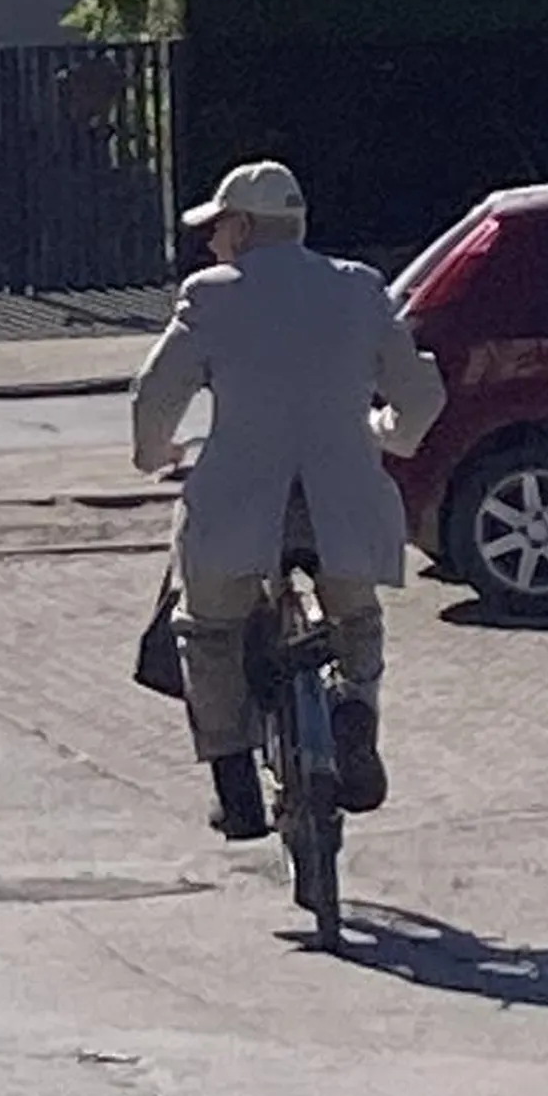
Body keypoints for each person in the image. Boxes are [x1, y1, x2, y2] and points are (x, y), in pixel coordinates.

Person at [131, 160, 447, 840]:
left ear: (243, 227)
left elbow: (155, 394)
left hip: (236, 503)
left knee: (207, 630)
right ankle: (354, 714)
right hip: (345, 496)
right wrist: (388, 436)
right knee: (354, 617)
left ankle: (234, 786)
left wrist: (154, 456)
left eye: (218, 227)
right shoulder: (360, 288)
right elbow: (419, 393)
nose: (213, 242)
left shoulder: (210, 294)